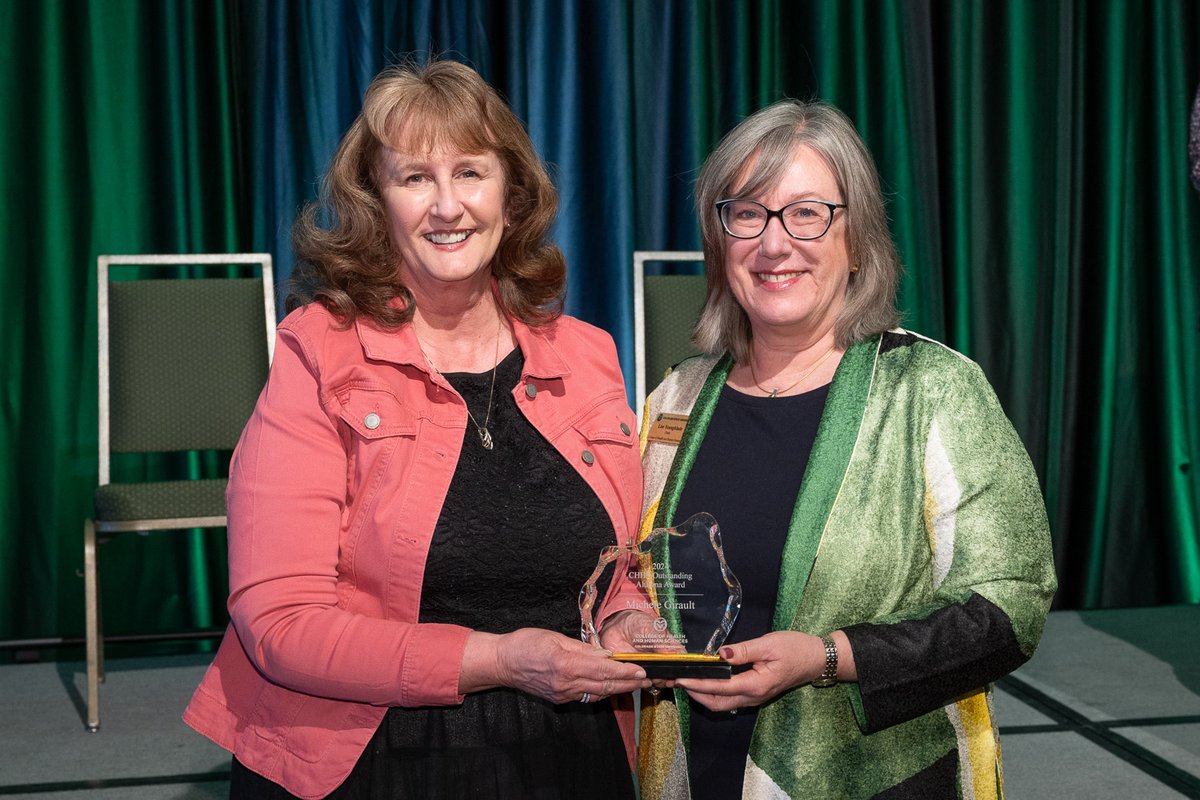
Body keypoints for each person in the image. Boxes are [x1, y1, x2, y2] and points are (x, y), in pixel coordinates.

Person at [183, 59, 654, 799]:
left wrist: (630, 620)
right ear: (376, 201)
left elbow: (620, 568)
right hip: (373, 753)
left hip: (573, 746)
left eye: (470, 172)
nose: (447, 206)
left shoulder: (587, 353)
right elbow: (279, 622)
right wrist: (502, 659)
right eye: (413, 179)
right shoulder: (318, 351)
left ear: (512, 191)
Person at [635, 99, 1057, 799]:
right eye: (747, 212)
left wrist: (827, 656)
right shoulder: (675, 398)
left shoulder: (933, 389)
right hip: (694, 771)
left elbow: (1010, 608)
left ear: (855, 236)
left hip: (883, 777)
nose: (774, 244)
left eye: (806, 213)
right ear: (720, 238)